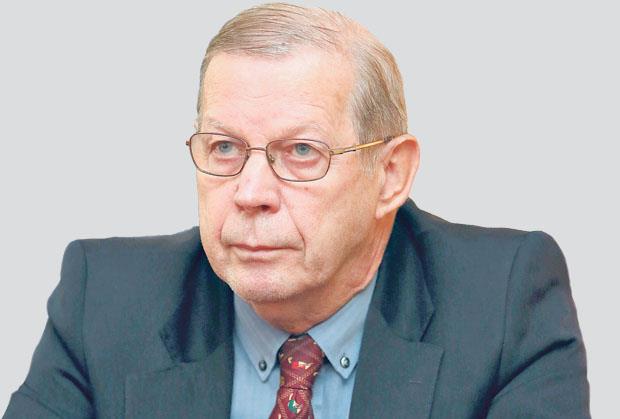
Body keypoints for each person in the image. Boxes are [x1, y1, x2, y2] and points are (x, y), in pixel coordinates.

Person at [3, 3, 590, 418]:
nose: (250, 192)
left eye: (302, 152)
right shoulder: (104, 300)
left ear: (391, 175)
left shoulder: (504, 302)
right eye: (225, 148)